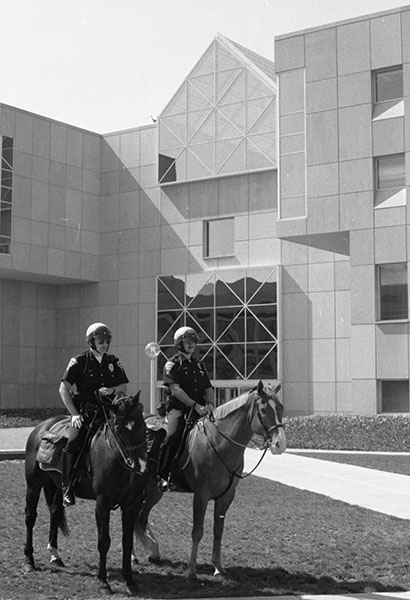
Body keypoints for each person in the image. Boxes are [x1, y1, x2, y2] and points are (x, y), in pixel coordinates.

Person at [59, 322, 129, 507]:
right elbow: (63, 389)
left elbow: (124, 387)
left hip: (109, 412)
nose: (104, 344)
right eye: (100, 341)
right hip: (86, 413)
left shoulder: (113, 361)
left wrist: (112, 390)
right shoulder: (79, 361)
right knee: (74, 443)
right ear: (91, 341)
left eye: (107, 341)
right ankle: (67, 487)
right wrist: (73, 414)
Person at [158, 325, 214, 491]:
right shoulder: (171, 364)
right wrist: (195, 405)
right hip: (180, 410)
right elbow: (175, 389)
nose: (191, 344)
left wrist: (210, 405)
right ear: (179, 343)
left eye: (193, 341)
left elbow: (208, 388)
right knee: (173, 437)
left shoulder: (199, 365)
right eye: (188, 341)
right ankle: (163, 475)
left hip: (201, 410)